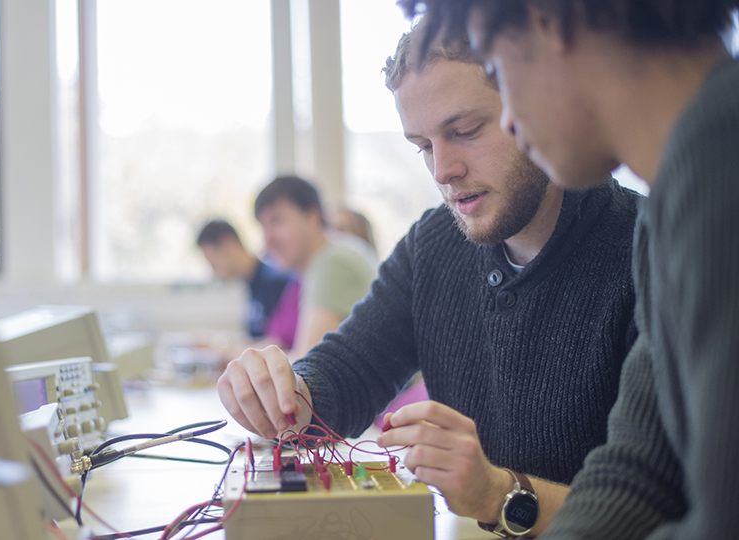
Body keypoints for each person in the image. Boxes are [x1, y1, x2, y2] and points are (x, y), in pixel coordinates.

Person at [218, 18, 642, 537]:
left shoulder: (646, 250)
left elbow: (661, 509)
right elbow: (352, 367)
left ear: (533, 104)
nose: (443, 170)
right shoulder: (434, 242)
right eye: (422, 145)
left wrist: (494, 492)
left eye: (464, 132)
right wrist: (289, 394)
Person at [402, 0, 739, 538]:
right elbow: (635, 477)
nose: (510, 116)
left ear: (549, 22)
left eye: (499, 66)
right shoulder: (677, 198)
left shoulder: (722, 174)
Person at [253, 175, 377, 357]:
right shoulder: (317, 264)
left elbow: (307, 364)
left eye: (276, 221)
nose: (267, 241)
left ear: (312, 217)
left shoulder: (333, 261)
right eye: (263, 227)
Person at [197, 218, 299, 349]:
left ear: (227, 244)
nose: (214, 271)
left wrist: (217, 344)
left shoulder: (275, 281)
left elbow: (279, 344)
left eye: (212, 260)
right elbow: (256, 339)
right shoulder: (251, 282)